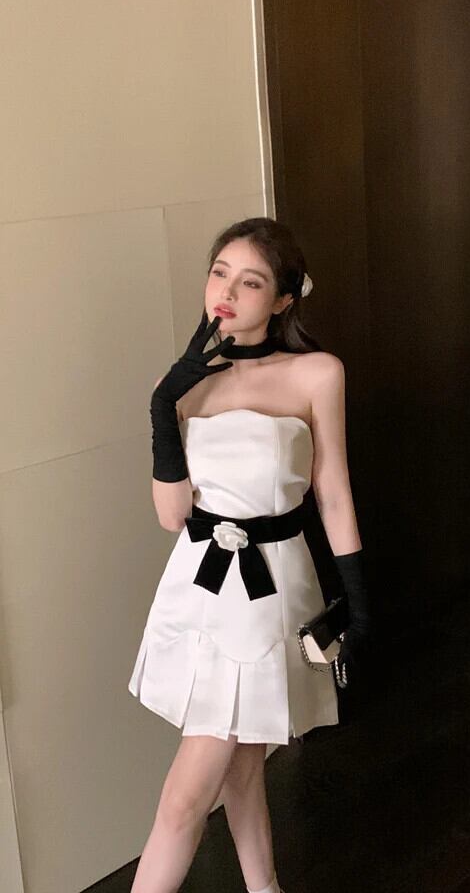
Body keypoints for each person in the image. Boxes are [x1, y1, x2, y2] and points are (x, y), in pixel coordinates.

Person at [127, 217, 373, 893]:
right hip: (196, 585)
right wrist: (163, 404)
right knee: (234, 769)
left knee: (196, 791)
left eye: (251, 281)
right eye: (219, 273)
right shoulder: (181, 383)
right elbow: (171, 515)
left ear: (285, 298)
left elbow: (333, 494)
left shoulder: (316, 373)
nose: (227, 292)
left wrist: (357, 600)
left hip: (272, 589)